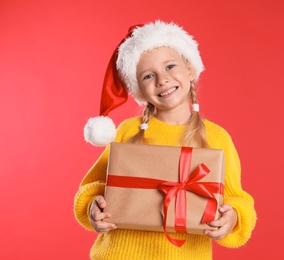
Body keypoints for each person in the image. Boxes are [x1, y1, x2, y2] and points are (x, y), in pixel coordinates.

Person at [74, 20, 256, 260]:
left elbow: (237, 199)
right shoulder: (128, 131)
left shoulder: (216, 137)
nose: (162, 80)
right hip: (118, 255)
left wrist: (232, 217)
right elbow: (91, 187)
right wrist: (92, 208)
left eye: (170, 66)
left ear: (189, 69)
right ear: (139, 88)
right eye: (148, 76)